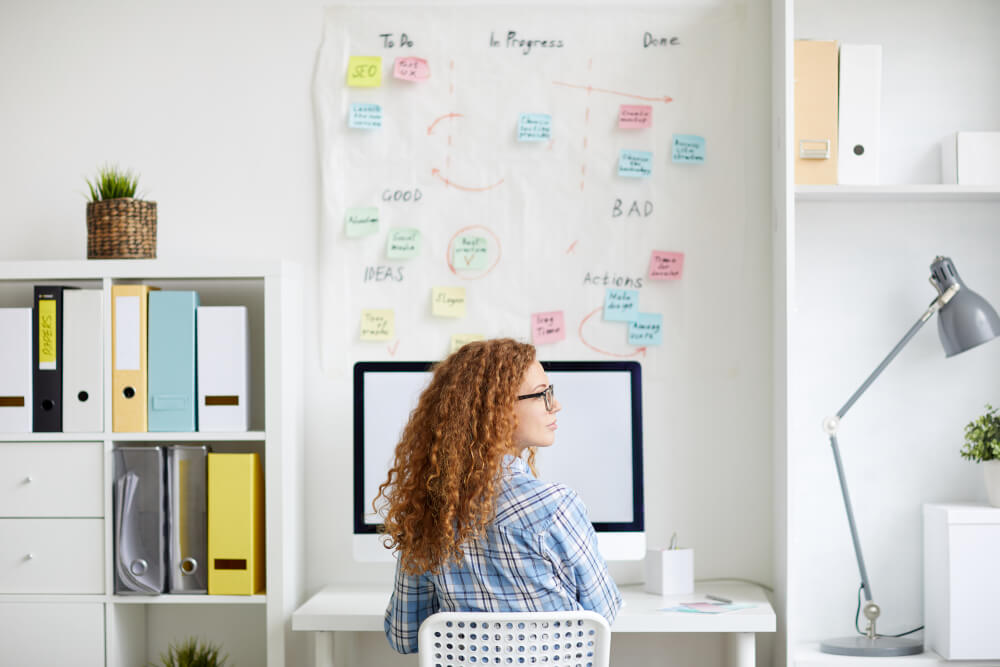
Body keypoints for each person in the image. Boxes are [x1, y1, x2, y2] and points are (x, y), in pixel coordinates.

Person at [375, 338, 622, 654]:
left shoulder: (430, 512)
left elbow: (404, 635)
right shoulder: (556, 508)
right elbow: (603, 616)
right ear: (499, 410)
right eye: (543, 394)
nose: (555, 404)